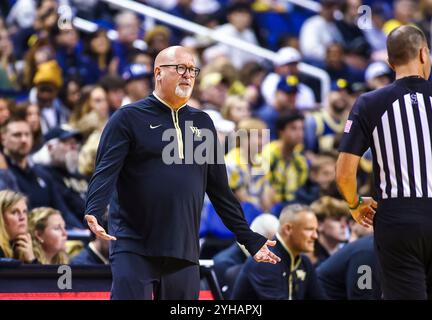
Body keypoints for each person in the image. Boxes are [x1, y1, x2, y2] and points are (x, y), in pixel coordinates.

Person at [84, 46, 280, 300]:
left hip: (184, 249)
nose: (188, 75)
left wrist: (248, 238)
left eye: (192, 70)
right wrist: (94, 208)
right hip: (134, 244)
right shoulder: (127, 118)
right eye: (180, 68)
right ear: (158, 73)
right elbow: (105, 170)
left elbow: (220, 191)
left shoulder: (203, 123)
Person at [336, 25, 432, 299]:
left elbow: (344, 173)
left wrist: (355, 204)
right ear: (424, 54)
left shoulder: (370, 102)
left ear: (390, 63)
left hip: (397, 220)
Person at [231, 204, 327, 300]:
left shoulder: (304, 262)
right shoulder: (265, 261)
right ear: (288, 229)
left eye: (316, 230)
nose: (315, 236)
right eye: (309, 229)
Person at [0, 190, 37, 263]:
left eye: (24, 211)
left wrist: (31, 259)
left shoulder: (26, 245)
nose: (22, 217)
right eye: (14, 212)